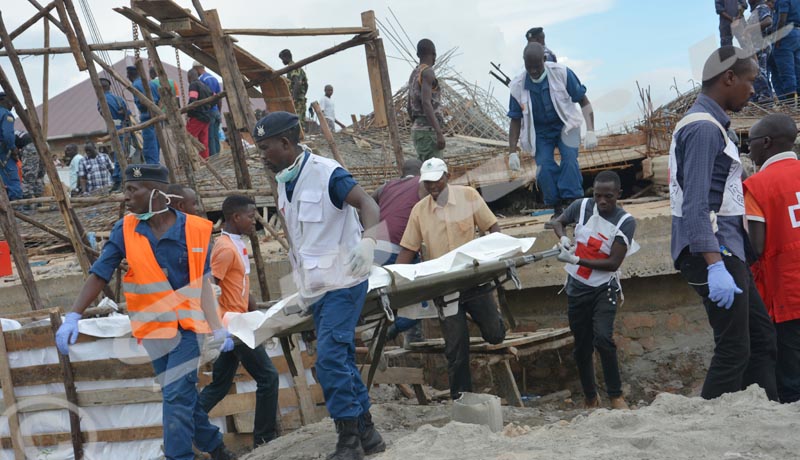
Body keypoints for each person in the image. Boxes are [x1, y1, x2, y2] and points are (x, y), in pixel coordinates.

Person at [54, 164, 237, 460]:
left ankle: (178, 456)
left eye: (132, 190)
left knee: (177, 394)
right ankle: (216, 448)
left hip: (187, 329)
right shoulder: (125, 229)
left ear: (156, 193)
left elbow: (202, 283)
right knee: (178, 395)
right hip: (153, 330)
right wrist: (74, 314)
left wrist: (216, 327)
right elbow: (101, 272)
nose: (126, 197)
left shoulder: (195, 230)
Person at [254, 111, 384, 460]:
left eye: (266, 147)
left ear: (285, 143)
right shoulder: (284, 181)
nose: (262, 155)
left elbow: (368, 203)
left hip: (345, 281)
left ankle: (349, 442)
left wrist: (370, 242)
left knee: (327, 359)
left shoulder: (328, 173)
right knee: (337, 357)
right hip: (315, 287)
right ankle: (368, 433)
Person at [669, 46, 777, 401]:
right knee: (735, 349)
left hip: (726, 249)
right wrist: (715, 265)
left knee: (761, 340)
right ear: (729, 78)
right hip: (714, 251)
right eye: (749, 81)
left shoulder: (712, 125)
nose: (753, 91)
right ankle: (710, 424)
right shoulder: (702, 129)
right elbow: (696, 203)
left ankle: (759, 414)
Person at [396, 158, 507, 400]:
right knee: (456, 347)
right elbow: (408, 248)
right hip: (446, 285)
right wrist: (393, 277)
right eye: (428, 183)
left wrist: (497, 254)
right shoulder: (420, 211)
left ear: (447, 176)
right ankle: (462, 399)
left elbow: (493, 228)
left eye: (437, 180)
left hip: (474, 278)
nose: (433, 187)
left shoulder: (468, 197)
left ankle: (490, 316)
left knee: (495, 334)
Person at [551, 171, 638, 410]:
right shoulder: (581, 207)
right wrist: (564, 238)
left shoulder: (625, 222)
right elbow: (558, 221)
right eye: (598, 195)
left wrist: (576, 260)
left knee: (603, 338)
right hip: (577, 286)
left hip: (604, 287)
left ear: (618, 194)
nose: (602, 202)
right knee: (581, 345)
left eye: (608, 197)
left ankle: (615, 395)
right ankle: (590, 397)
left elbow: (613, 263)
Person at [199, 195, 280, 449]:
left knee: (220, 385)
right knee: (268, 377)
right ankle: (265, 439)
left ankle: (185, 422)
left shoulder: (237, 244)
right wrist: (219, 328)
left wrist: (257, 317)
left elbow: (241, 286)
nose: (253, 220)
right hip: (232, 326)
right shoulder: (223, 248)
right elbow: (210, 287)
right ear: (235, 217)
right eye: (250, 216)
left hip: (240, 322)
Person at [742, 113, 800, 403]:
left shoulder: (758, 185)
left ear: (765, 143)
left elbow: (756, 246)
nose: (747, 149)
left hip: (786, 294)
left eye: (749, 142)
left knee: (790, 377)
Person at [507, 43, 598, 217]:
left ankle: (573, 204)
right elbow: (515, 119)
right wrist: (512, 151)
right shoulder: (517, 86)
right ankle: (557, 208)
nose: (533, 71)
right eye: (529, 67)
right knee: (544, 167)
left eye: (537, 66)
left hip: (566, 125)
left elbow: (584, 102)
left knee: (569, 160)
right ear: (524, 63)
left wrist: (591, 130)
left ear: (544, 60)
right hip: (540, 133)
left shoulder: (562, 73)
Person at [371, 158, 427, 346]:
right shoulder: (421, 184)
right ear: (421, 173)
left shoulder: (386, 187)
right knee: (422, 298)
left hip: (376, 248)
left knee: (392, 297)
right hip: (400, 249)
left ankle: (412, 337)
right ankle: (392, 332)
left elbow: (367, 203)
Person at [407, 39, 446, 162]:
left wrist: (416, 123)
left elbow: (409, 105)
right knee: (436, 172)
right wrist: (438, 132)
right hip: (429, 131)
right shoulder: (428, 73)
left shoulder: (414, 74)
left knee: (424, 170)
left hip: (418, 131)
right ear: (434, 54)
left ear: (418, 55)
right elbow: (426, 103)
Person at [97, 77, 132, 192]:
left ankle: (118, 180)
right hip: (124, 127)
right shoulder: (118, 99)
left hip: (114, 128)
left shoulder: (101, 100)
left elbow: (104, 115)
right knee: (125, 153)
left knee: (118, 155)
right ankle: (124, 178)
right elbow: (127, 114)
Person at [127, 65, 161, 165]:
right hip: (157, 116)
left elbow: (141, 102)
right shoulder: (152, 83)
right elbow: (161, 99)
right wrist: (156, 108)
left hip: (147, 117)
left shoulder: (135, 85)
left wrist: (149, 107)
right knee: (157, 143)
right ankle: (156, 164)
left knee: (149, 145)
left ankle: (153, 167)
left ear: (130, 75)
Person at [744, 0, 775, 101]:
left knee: (758, 72)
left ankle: (765, 97)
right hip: (756, 46)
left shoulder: (761, 7)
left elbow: (768, 21)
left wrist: (750, 29)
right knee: (760, 72)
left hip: (761, 46)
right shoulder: (755, 11)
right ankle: (761, 98)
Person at [192, 62, 223, 157]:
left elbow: (201, 97)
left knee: (210, 138)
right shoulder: (214, 78)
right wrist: (219, 111)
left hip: (208, 112)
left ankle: (214, 160)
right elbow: (219, 97)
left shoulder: (201, 80)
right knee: (216, 136)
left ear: (197, 69)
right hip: (216, 111)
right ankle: (219, 157)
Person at [771, 0, 800, 98]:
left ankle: (791, 104)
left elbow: (782, 19)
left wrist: (778, 38)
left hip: (786, 35)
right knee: (797, 70)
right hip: (797, 34)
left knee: (786, 72)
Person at [186, 69, 214, 159]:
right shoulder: (205, 86)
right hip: (207, 117)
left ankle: (190, 161)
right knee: (204, 142)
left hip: (197, 117)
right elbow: (215, 98)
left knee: (188, 138)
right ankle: (205, 161)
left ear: (189, 77)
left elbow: (192, 100)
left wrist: (189, 113)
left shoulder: (193, 85)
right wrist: (208, 108)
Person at [278, 50, 309, 129]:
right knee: (297, 121)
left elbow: (297, 83)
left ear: (286, 57)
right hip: (300, 99)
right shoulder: (297, 68)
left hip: (297, 100)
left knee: (296, 122)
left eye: (282, 59)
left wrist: (293, 98)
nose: (282, 62)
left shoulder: (293, 67)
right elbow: (306, 85)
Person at [0, 92, 22, 201]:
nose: (12, 105)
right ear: (3, 100)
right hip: (3, 153)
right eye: (10, 102)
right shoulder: (6, 114)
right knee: (11, 178)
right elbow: (8, 135)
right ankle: (15, 205)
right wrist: (13, 148)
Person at [15, 132, 44, 203]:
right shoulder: (14, 132)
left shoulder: (5, 133)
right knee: (39, 176)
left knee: (28, 176)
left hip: (30, 147)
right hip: (43, 144)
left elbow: (14, 151)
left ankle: (27, 204)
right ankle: (39, 200)